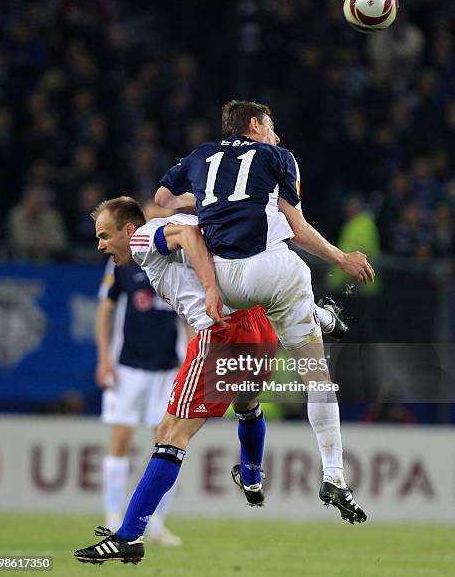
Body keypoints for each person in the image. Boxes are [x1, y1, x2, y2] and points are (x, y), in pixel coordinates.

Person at [73, 197, 347, 565]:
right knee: (246, 403)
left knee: (170, 433)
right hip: (257, 327)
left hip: (223, 334)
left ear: (127, 230)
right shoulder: (179, 232)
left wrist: (210, 290)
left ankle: (129, 535)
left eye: (105, 236)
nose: (101, 245)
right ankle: (250, 477)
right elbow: (202, 236)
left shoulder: (142, 238)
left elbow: (186, 233)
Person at [156, 100, 374, 524]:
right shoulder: (278, 157)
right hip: (270, 272)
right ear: (254, 125)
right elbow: (297, 225)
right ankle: (334, 475)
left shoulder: (201, 155)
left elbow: (163, 201)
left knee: (264, 220)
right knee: (317, 377)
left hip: (220, 281)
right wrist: (341, 257)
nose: (276, 134)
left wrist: (203, 199)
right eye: (271, 126)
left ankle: (316, 315)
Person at [96, 254, 184, 545]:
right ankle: (112, 519)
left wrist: (191, 364)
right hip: (127, 368)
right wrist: (104, 359)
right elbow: (106, 308)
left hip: (168, 369)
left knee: (169, 443)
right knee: (121, 439)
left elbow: (189, 316)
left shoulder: (180, 261)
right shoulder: (122, 263)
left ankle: (156, 524)